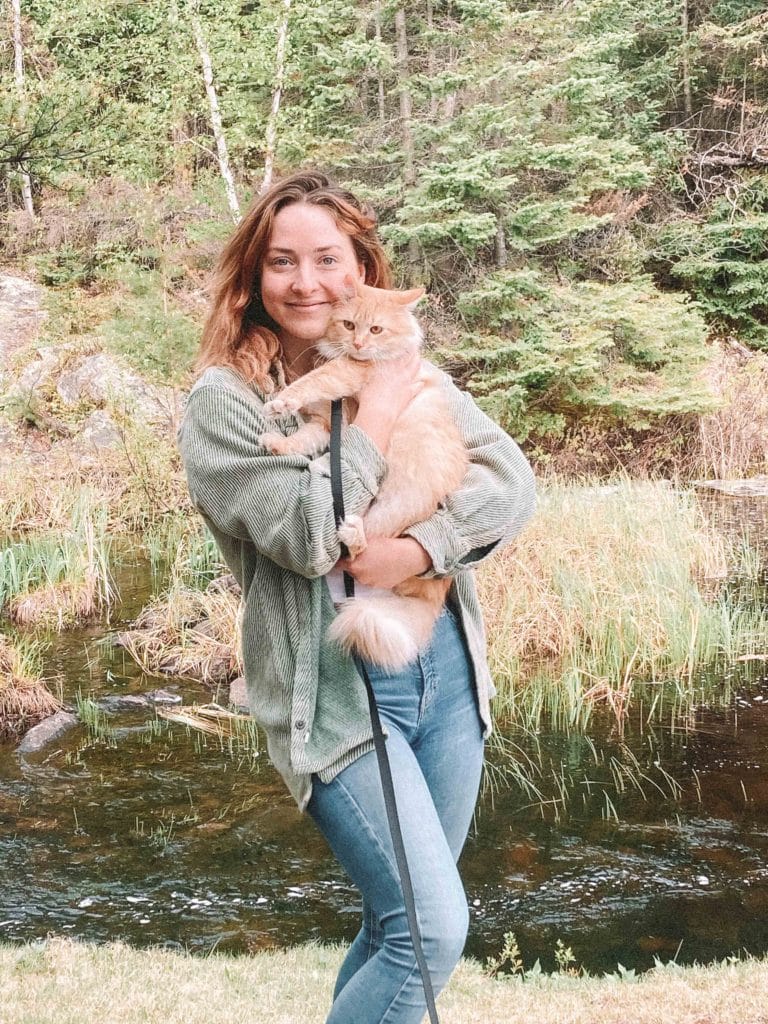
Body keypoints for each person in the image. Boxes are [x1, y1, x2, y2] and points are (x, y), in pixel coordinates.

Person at [178, 171, 536, 1024]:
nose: (307, 282)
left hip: (441, 664)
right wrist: (374, 406)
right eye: (281, 262)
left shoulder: (406, 356)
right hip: (336, 688)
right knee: (431, 930)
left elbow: (511, 483)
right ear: (252, 278)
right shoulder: (225, 404)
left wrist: (420, 545)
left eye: (328, 259)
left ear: (361, 268)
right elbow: (308, 536)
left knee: (398, 925)